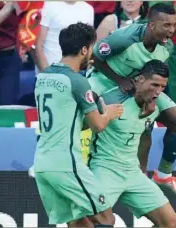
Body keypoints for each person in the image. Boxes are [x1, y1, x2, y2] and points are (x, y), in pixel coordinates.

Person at [89, 3, 176, 198]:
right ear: (152, 26)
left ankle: (162, 174)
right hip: (103, 81)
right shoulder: (125, 38)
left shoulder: (167, 47)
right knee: (83, 113)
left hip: (136, 85)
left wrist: (151, 98)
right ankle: (55, 161)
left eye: (174, 25)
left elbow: (155, 75)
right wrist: (119, 80)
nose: (172, 30)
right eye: (167, 25)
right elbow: (95, 57)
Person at [33, 22, 123, 227]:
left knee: (78, 224)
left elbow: (66, 121)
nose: (91, 54)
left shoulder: (43, 76)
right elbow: (98, 126)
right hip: (66, 164)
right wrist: (108, 113)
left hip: (42, 164)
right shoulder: (78, 81)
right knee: (105, 218)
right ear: (84, 49)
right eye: (91, 48)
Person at [88, 60, 176, 228]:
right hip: (105, 168)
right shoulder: (110, 99)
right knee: (100, 222)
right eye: (154, 85)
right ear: (139, 80)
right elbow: (82, 126)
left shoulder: (155, 106)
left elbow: (145, 135)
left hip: (132, 171)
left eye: (162, 87)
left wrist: (143, 169)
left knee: (171, 222)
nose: (158, 91)